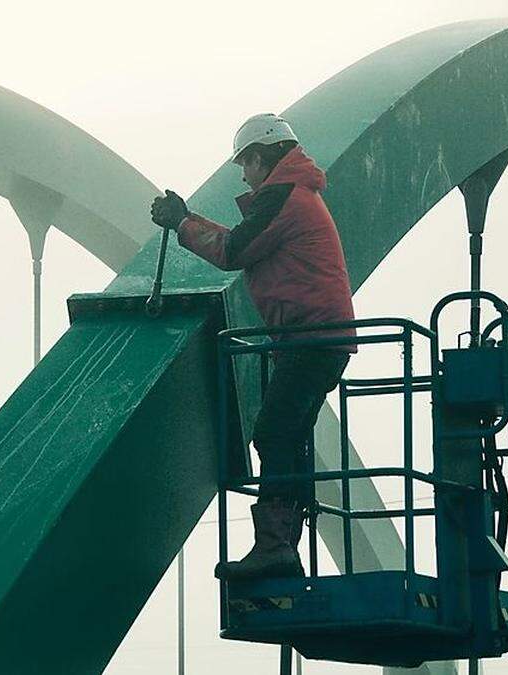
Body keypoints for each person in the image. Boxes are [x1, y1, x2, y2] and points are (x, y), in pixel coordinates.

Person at [150, 113, 356, 580]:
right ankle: (282, 545)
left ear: (261, 159)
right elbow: (242, 243)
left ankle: (276, 545)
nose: (243, 174)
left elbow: (233, 251)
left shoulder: (285, 197)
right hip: (318, 338)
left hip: (310, 337)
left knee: (274, 433)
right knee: (289, 435)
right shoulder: (295, 195)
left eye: (245, 164)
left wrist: (182, 221)